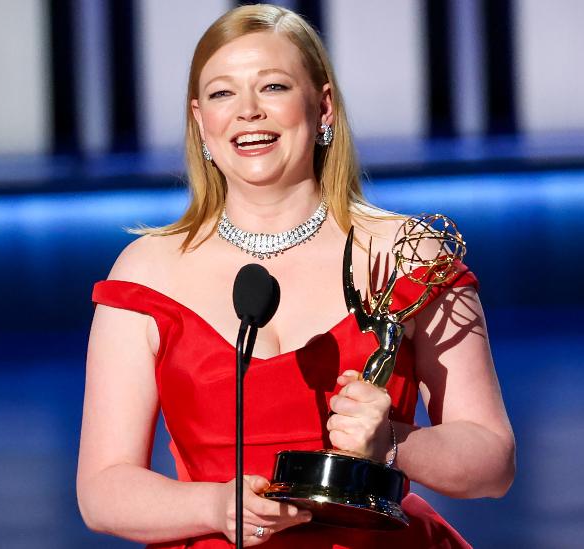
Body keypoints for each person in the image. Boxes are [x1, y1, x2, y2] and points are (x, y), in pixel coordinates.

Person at [77, 5, 514, 548]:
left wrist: (395, 443)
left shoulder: (408, 254)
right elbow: (102, 489)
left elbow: (493, 462)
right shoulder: (147, 271)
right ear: (199, 121)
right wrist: (214, 505)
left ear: (323, 106)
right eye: (222, 94)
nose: (248, 112)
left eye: (274, 87)